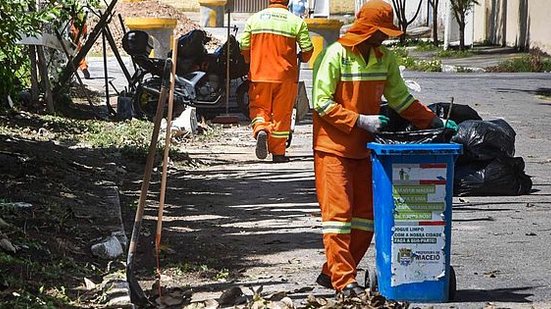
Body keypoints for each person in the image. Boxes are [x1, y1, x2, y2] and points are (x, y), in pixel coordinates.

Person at [311, 0, 458, 297]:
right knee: (338, 218)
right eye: (381, 31)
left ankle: (333, 272)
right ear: (367, 29)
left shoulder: (385, 58)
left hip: (366, 150)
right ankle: (344, 281)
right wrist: (360, 120)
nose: (385, 37)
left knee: (366, 219)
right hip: (333, 149)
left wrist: (434, 121)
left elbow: (401, 100)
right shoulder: (335, 55)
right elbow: (321, 102)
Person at [240, 0, 314, 163]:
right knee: (282, 114)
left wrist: (249, 59)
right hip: (286, 77)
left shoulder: (255, 19)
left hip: (260, 75)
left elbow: (244, 45)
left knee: (259, 108)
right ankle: (278, 153)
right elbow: (308, 49)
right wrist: (303, 57)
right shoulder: (296, 22)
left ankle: (261, 129)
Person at [69, 13, 90, 79]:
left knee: (79, 56)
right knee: (77, 56)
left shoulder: (76, 22)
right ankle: (83, 68)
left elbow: (84, 32)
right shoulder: (71, 22)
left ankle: (84, 68)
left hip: (75, 42)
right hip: (72, 42)